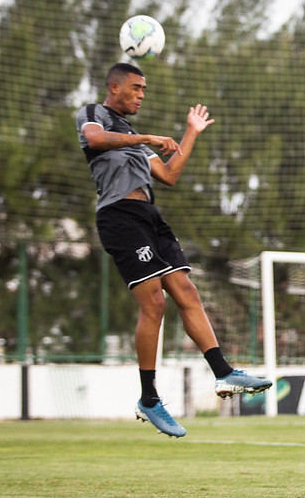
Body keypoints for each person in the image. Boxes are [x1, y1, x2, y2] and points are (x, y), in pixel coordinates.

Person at [75, 63, 271, 438]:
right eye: (136, 88)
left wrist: (190, 133)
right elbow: (96, 140)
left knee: (186, 291)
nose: (141, 95)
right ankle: (149, 398)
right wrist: (146, 138)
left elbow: (169, 175)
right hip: (119, 217)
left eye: (144, 89)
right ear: (114, 86)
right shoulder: (94, 116)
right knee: (154, 304)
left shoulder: (131, 133)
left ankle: (224, 373)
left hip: (149, 215)